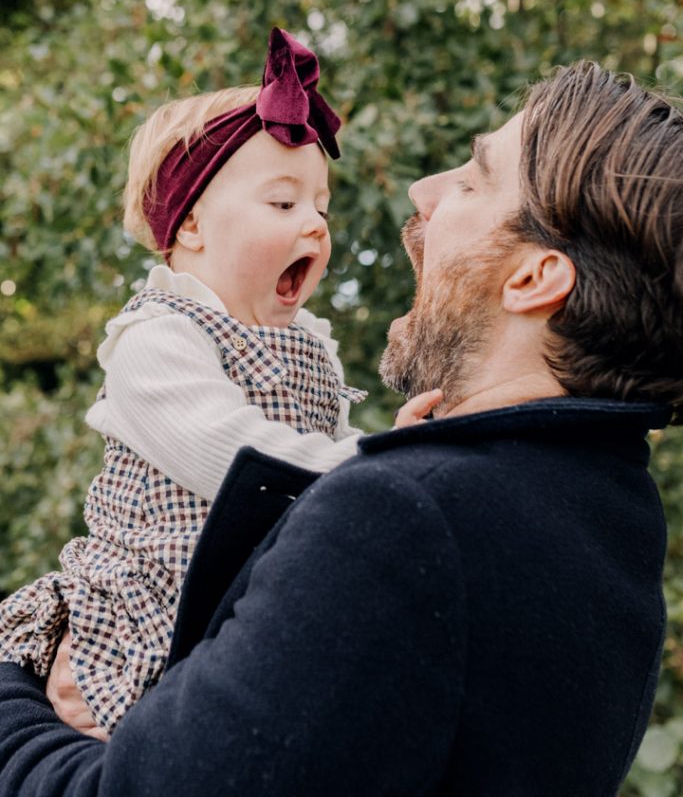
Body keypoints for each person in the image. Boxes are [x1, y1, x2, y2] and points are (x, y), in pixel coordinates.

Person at [0, 59, 679, 796]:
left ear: (531, 279)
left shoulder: (399, 519)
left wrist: (11, 685)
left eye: (472, 179)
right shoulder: (609, 516)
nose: (421, 191)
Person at [0, 26, 392, 738]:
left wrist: (402, 446)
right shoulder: (156, 336)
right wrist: (384, 465)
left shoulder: (311, 346)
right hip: (142, 618)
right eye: (282, 204)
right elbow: (236, 455)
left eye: (321, 207)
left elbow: (335, 453)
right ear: (190, 228)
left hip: (242, 605)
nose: (314, 224)